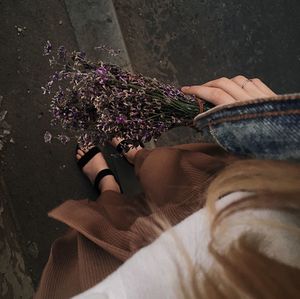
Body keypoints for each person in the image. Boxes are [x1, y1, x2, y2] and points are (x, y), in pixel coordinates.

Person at [35, 76, 298, 298]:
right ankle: (139, 159)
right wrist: (275, 131)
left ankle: (110, 191)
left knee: (104, 255)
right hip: (261, 201)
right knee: (174, 177)